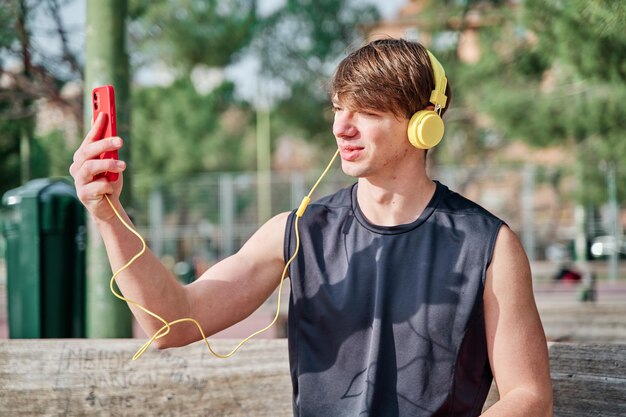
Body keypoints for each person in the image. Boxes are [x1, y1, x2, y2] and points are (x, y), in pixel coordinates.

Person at [70, 38, 552, 416]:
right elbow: (171, 323)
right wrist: (107, 212)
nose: (342, 127)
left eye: (367, 111)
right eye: (339, 109)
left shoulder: (488, 245)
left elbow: (530, 397)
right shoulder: (298, 231)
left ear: (424, 123)